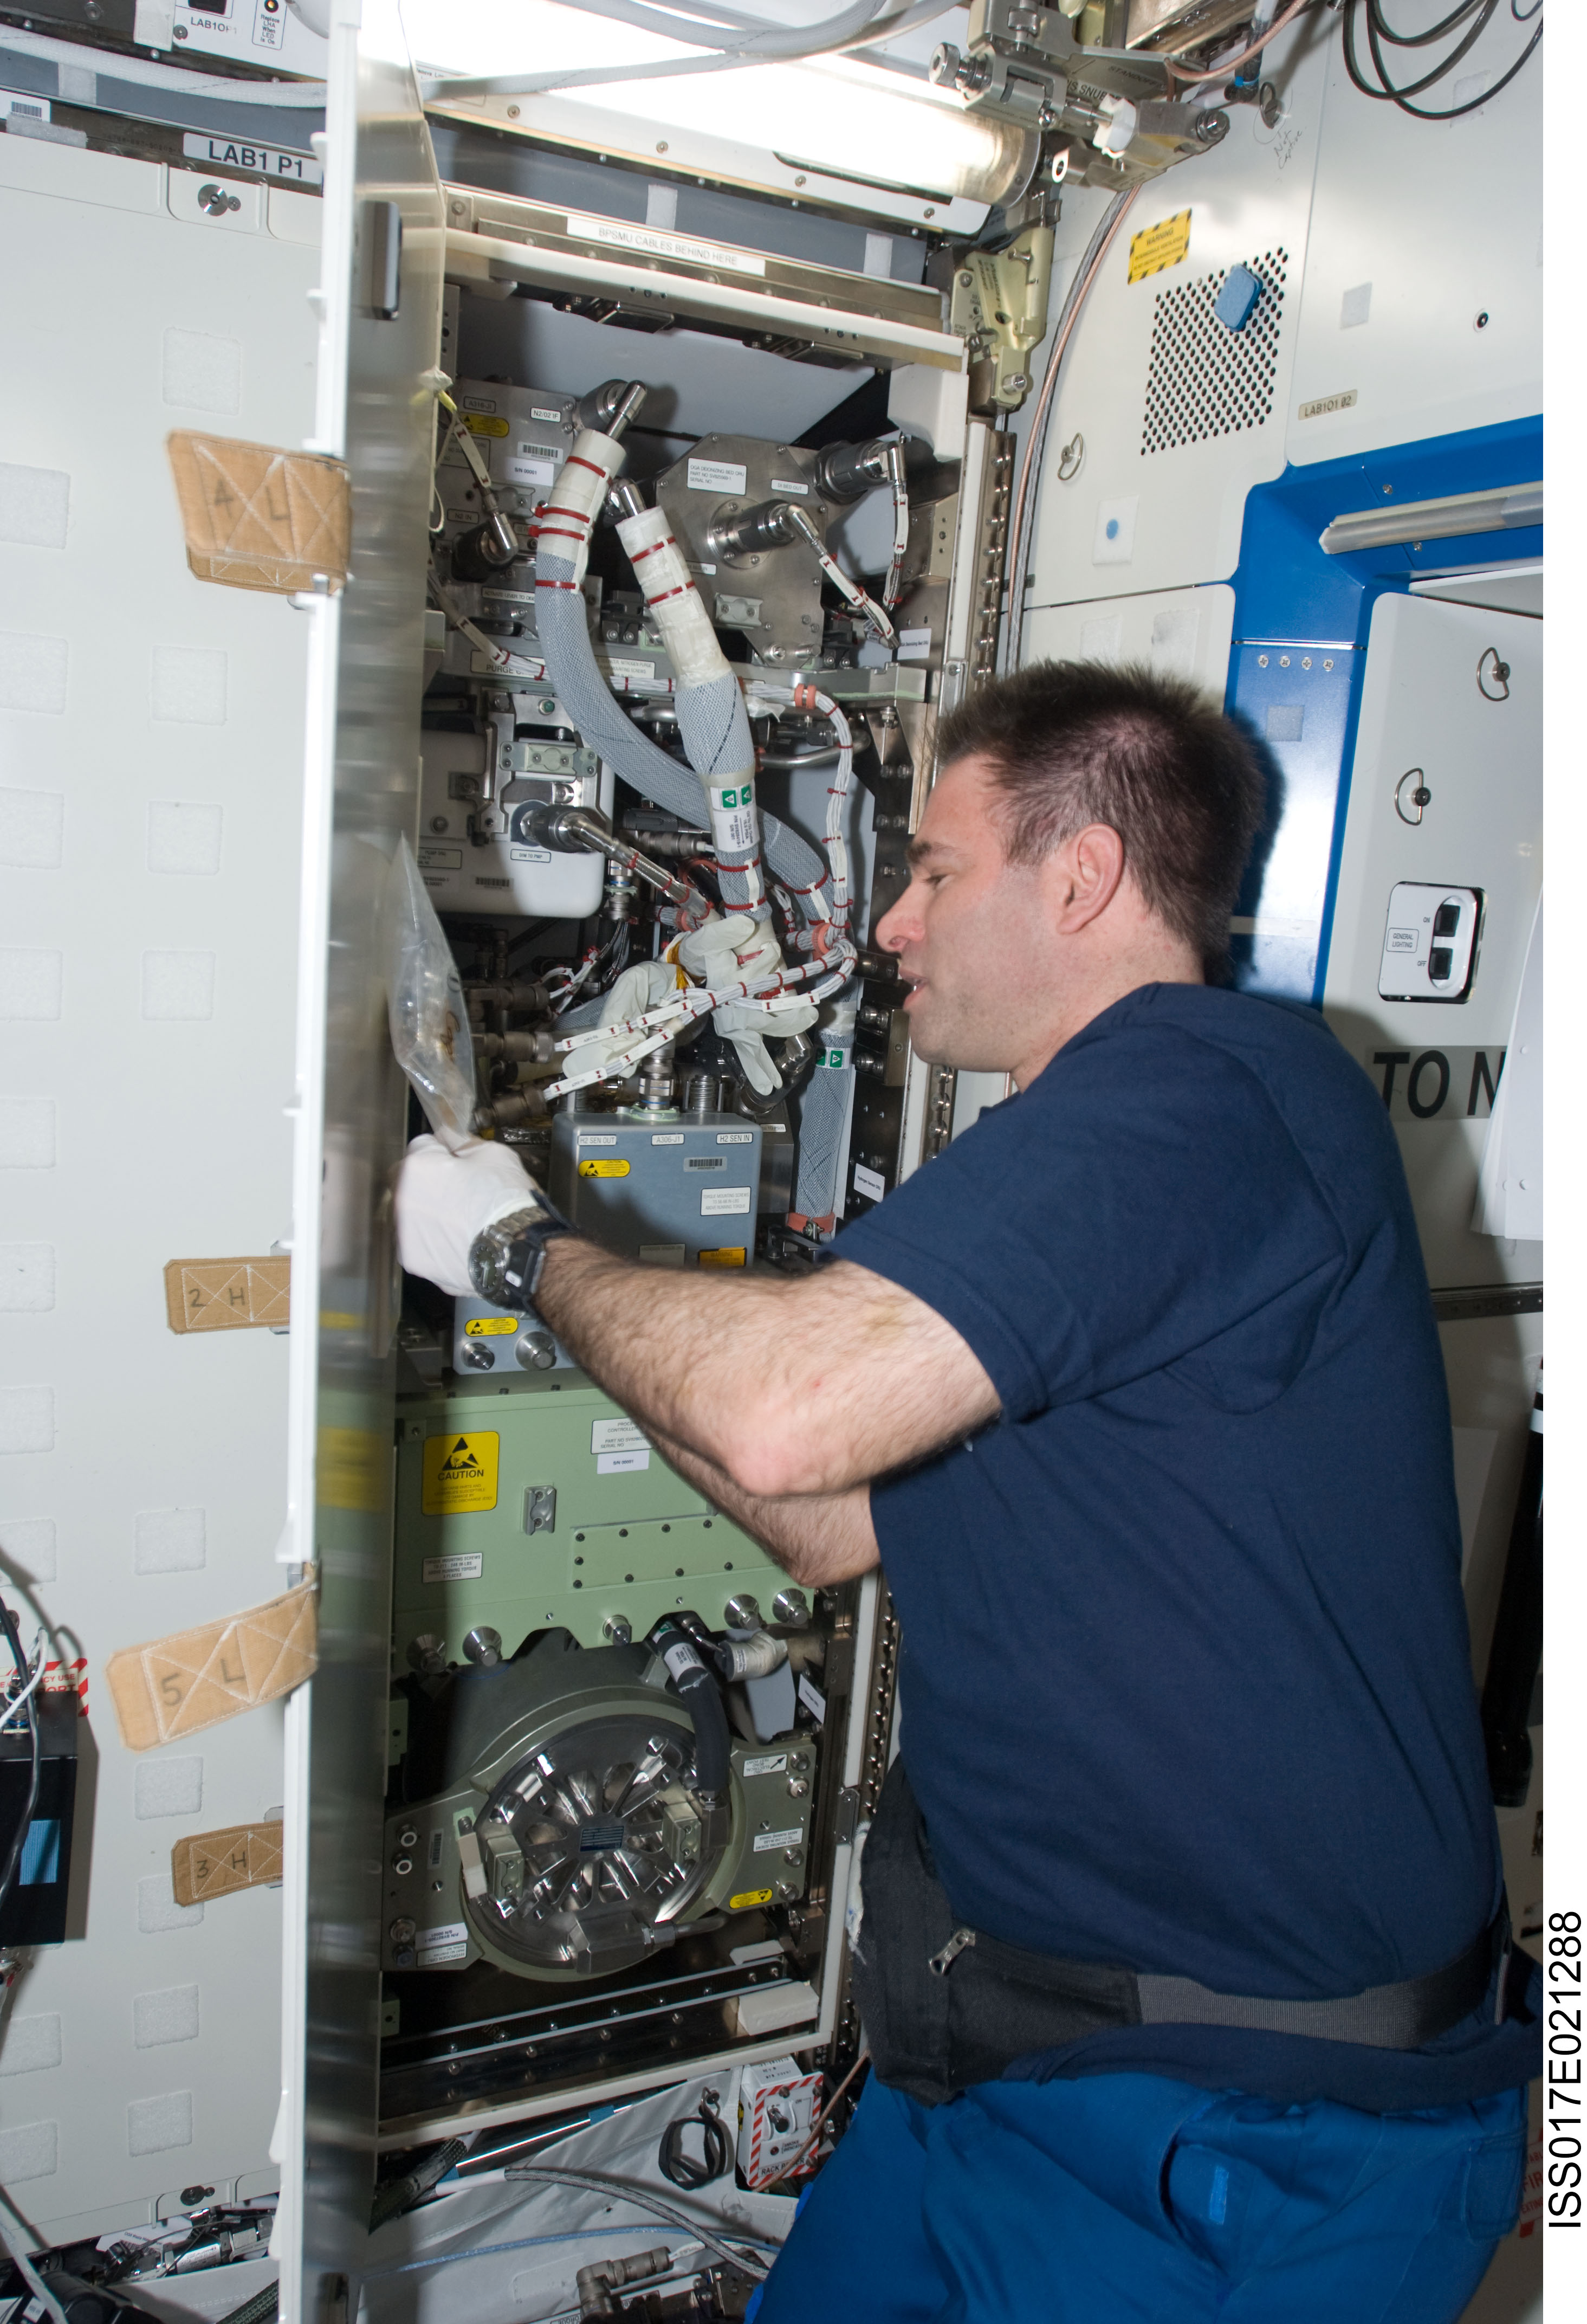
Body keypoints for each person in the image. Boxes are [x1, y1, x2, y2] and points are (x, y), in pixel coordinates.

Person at [396, 661, 1538, 2322]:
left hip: (1241, 2141)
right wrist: (576, 1320)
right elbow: (822, 1522)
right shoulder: (1087, 1174)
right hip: (1009, 2066)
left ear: (1079, 877)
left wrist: (518, 1252)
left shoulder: (1207, 1087)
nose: (888, 925)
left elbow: (783, 1424)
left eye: (932, 870)